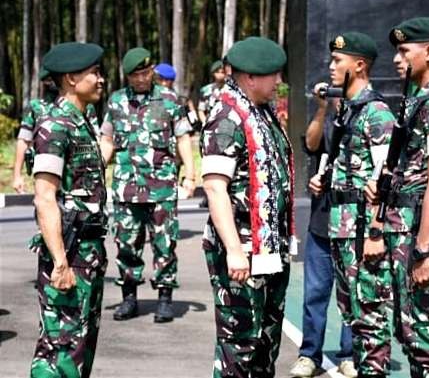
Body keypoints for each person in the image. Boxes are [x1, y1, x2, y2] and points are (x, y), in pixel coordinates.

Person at [366, 17, 429, 377]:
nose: (397, 59)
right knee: (411, 335)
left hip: (419, 237)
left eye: (405, 51)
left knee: (427, 340)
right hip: (402, 230)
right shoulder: (418, 101)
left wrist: (424, 251)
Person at [200, 37, 295, 378]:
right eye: (273, 76)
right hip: (242, 250)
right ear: (250, 78)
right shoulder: (227, 117)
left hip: (268, 250)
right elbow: (214, 187)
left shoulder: (262, 114)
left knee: (264, 345)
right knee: (239, 346)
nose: (278, 83)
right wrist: (234, 250)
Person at [309, 31, 395, 378]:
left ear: (359, 66)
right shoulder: (347, 112)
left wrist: (376, 231)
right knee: (353, 314)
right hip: (340, 226)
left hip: (362, 231)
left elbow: (385, 179)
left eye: (337, 62)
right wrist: (324, 178)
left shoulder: (377, 114)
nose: (331, 67)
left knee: (370, 318)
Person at [29, 41, 108, 378]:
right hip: (70, 251)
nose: (101, 79)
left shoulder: (82, 120)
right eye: (94, 73)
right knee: (59, 349)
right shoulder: (55, 124)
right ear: (72, 78)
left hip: (89, 250)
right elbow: (44, 196)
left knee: (79, 346)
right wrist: (60, 262)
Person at [100, 47, 196, 323]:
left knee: (165, 245)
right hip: (126, 189)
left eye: (145, 72)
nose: (142, 78)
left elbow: (183, 138)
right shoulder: (116, 101)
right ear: (127, 76)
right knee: (126, 245)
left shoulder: (168, 99)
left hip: (161, 188)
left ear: (152, 70)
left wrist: (190, 175)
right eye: (136, 75)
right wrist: (98, 168)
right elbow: (107, 140)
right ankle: (129, 298)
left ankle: (165, 298)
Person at [289, 86, 354, 377]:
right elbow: (312, 144)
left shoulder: (366, 118)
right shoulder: (325, 118)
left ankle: (349, 354)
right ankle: (309, 355)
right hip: (321, 222)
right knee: (315, 293)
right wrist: (322, 107)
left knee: (351, 295)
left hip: (353, 225)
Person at [14, 68, 99, 193]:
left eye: (54, 79)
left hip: (79, 178)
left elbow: (97, 140)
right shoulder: (36, 107)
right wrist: (17, 175)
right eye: (48, 80)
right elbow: (24, 140)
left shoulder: (85, 107)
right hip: (48, 171)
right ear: (44, 82)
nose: (52, 83)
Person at [197, 59, 226, 124]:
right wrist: (205, 123)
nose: (220, 75)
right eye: (217, 72)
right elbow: (201, 110)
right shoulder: (206, 90)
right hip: (210, 123)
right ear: (213, 73)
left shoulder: (231, 90)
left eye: (222, 72)